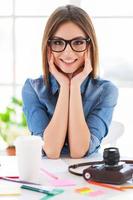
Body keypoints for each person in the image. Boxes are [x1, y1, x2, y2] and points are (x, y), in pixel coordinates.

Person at [22, 5, 118, 159]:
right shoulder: (32, 88)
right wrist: (65, 87)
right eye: (58, 43)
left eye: (78, 42)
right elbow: (51, 150)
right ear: (48, 47)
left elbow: (79, 151)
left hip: (86, 177)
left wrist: (74, 86)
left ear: (90, 45)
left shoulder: (106, 91)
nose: (68, 53)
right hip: (46, 178)